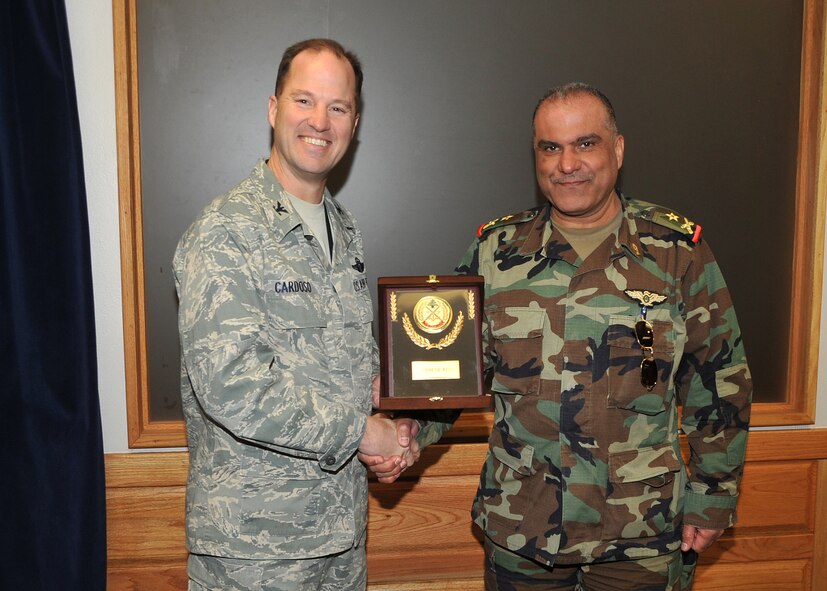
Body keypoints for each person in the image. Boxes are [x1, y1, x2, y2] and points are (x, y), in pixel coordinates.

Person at [402, 83, 752, 590]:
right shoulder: (496, 254)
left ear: (618, 149)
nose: (568, 164)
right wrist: (409, 428)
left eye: (585, 144)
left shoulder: (676, 253)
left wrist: (714, 495)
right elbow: (455, 370)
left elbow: (720, 380)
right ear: (536, 156)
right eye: (551, 147)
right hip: (525, 527)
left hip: (640, 531)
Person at [173, 38, 417, 591]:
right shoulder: (226, 232)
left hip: (341, 539)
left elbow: (354, 370)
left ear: (354, 123)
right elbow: (231, 383)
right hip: (254, 555)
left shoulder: (344, 233)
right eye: (304, 100)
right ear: (273, 109)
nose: (320, 122)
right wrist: (363, 433)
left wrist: (402, 415)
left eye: (339, 107)